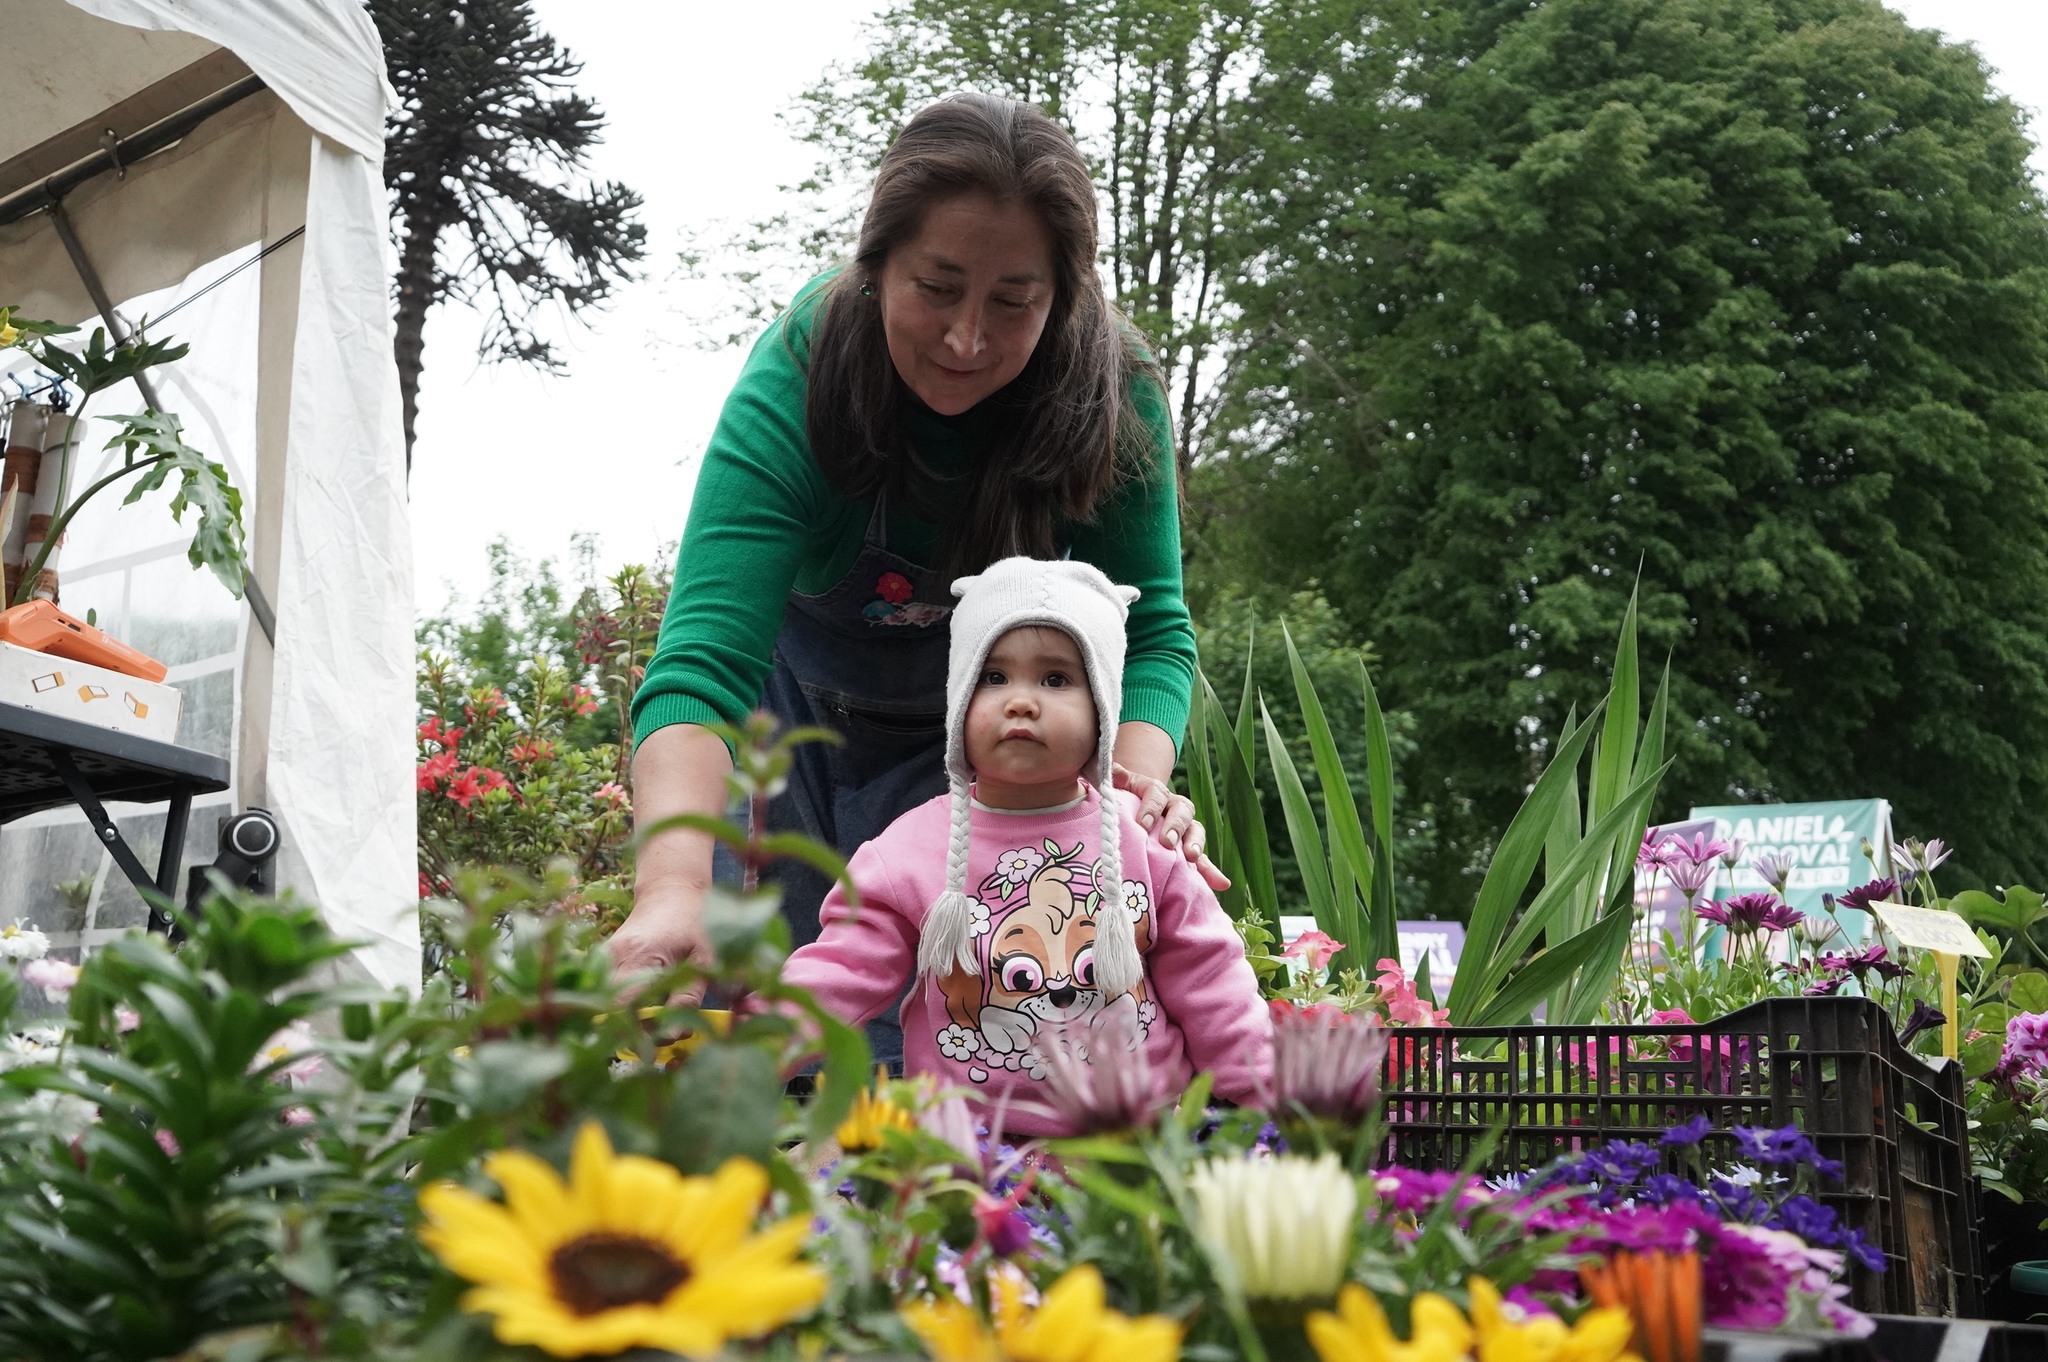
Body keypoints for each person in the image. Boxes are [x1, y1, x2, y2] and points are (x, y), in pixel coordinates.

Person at [611, 93, 1223, 1069]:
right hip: (784, 745)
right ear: (874, 263)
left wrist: (1127, 788)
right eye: (935, 288)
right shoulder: (802, 371)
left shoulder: (1113, 396)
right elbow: (700, 671)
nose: (967, 339)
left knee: (955, 1044)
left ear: (1061, 297)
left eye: (1013, 303)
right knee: (758, 1044)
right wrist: (673, 887)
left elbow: (1149, 638)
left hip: (980, 752)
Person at [776, 558, 1269, 1132]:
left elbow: (1212, 980)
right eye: (993, 677)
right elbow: (839, 974)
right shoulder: (907, 851)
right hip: (968, 1157)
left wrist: (1268, 1097)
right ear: (960, 699)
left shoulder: (1145, 840)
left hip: (1139, 1148)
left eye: (1056, 678)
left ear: (1104, 707)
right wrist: (752, 1052)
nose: (1020, 701)